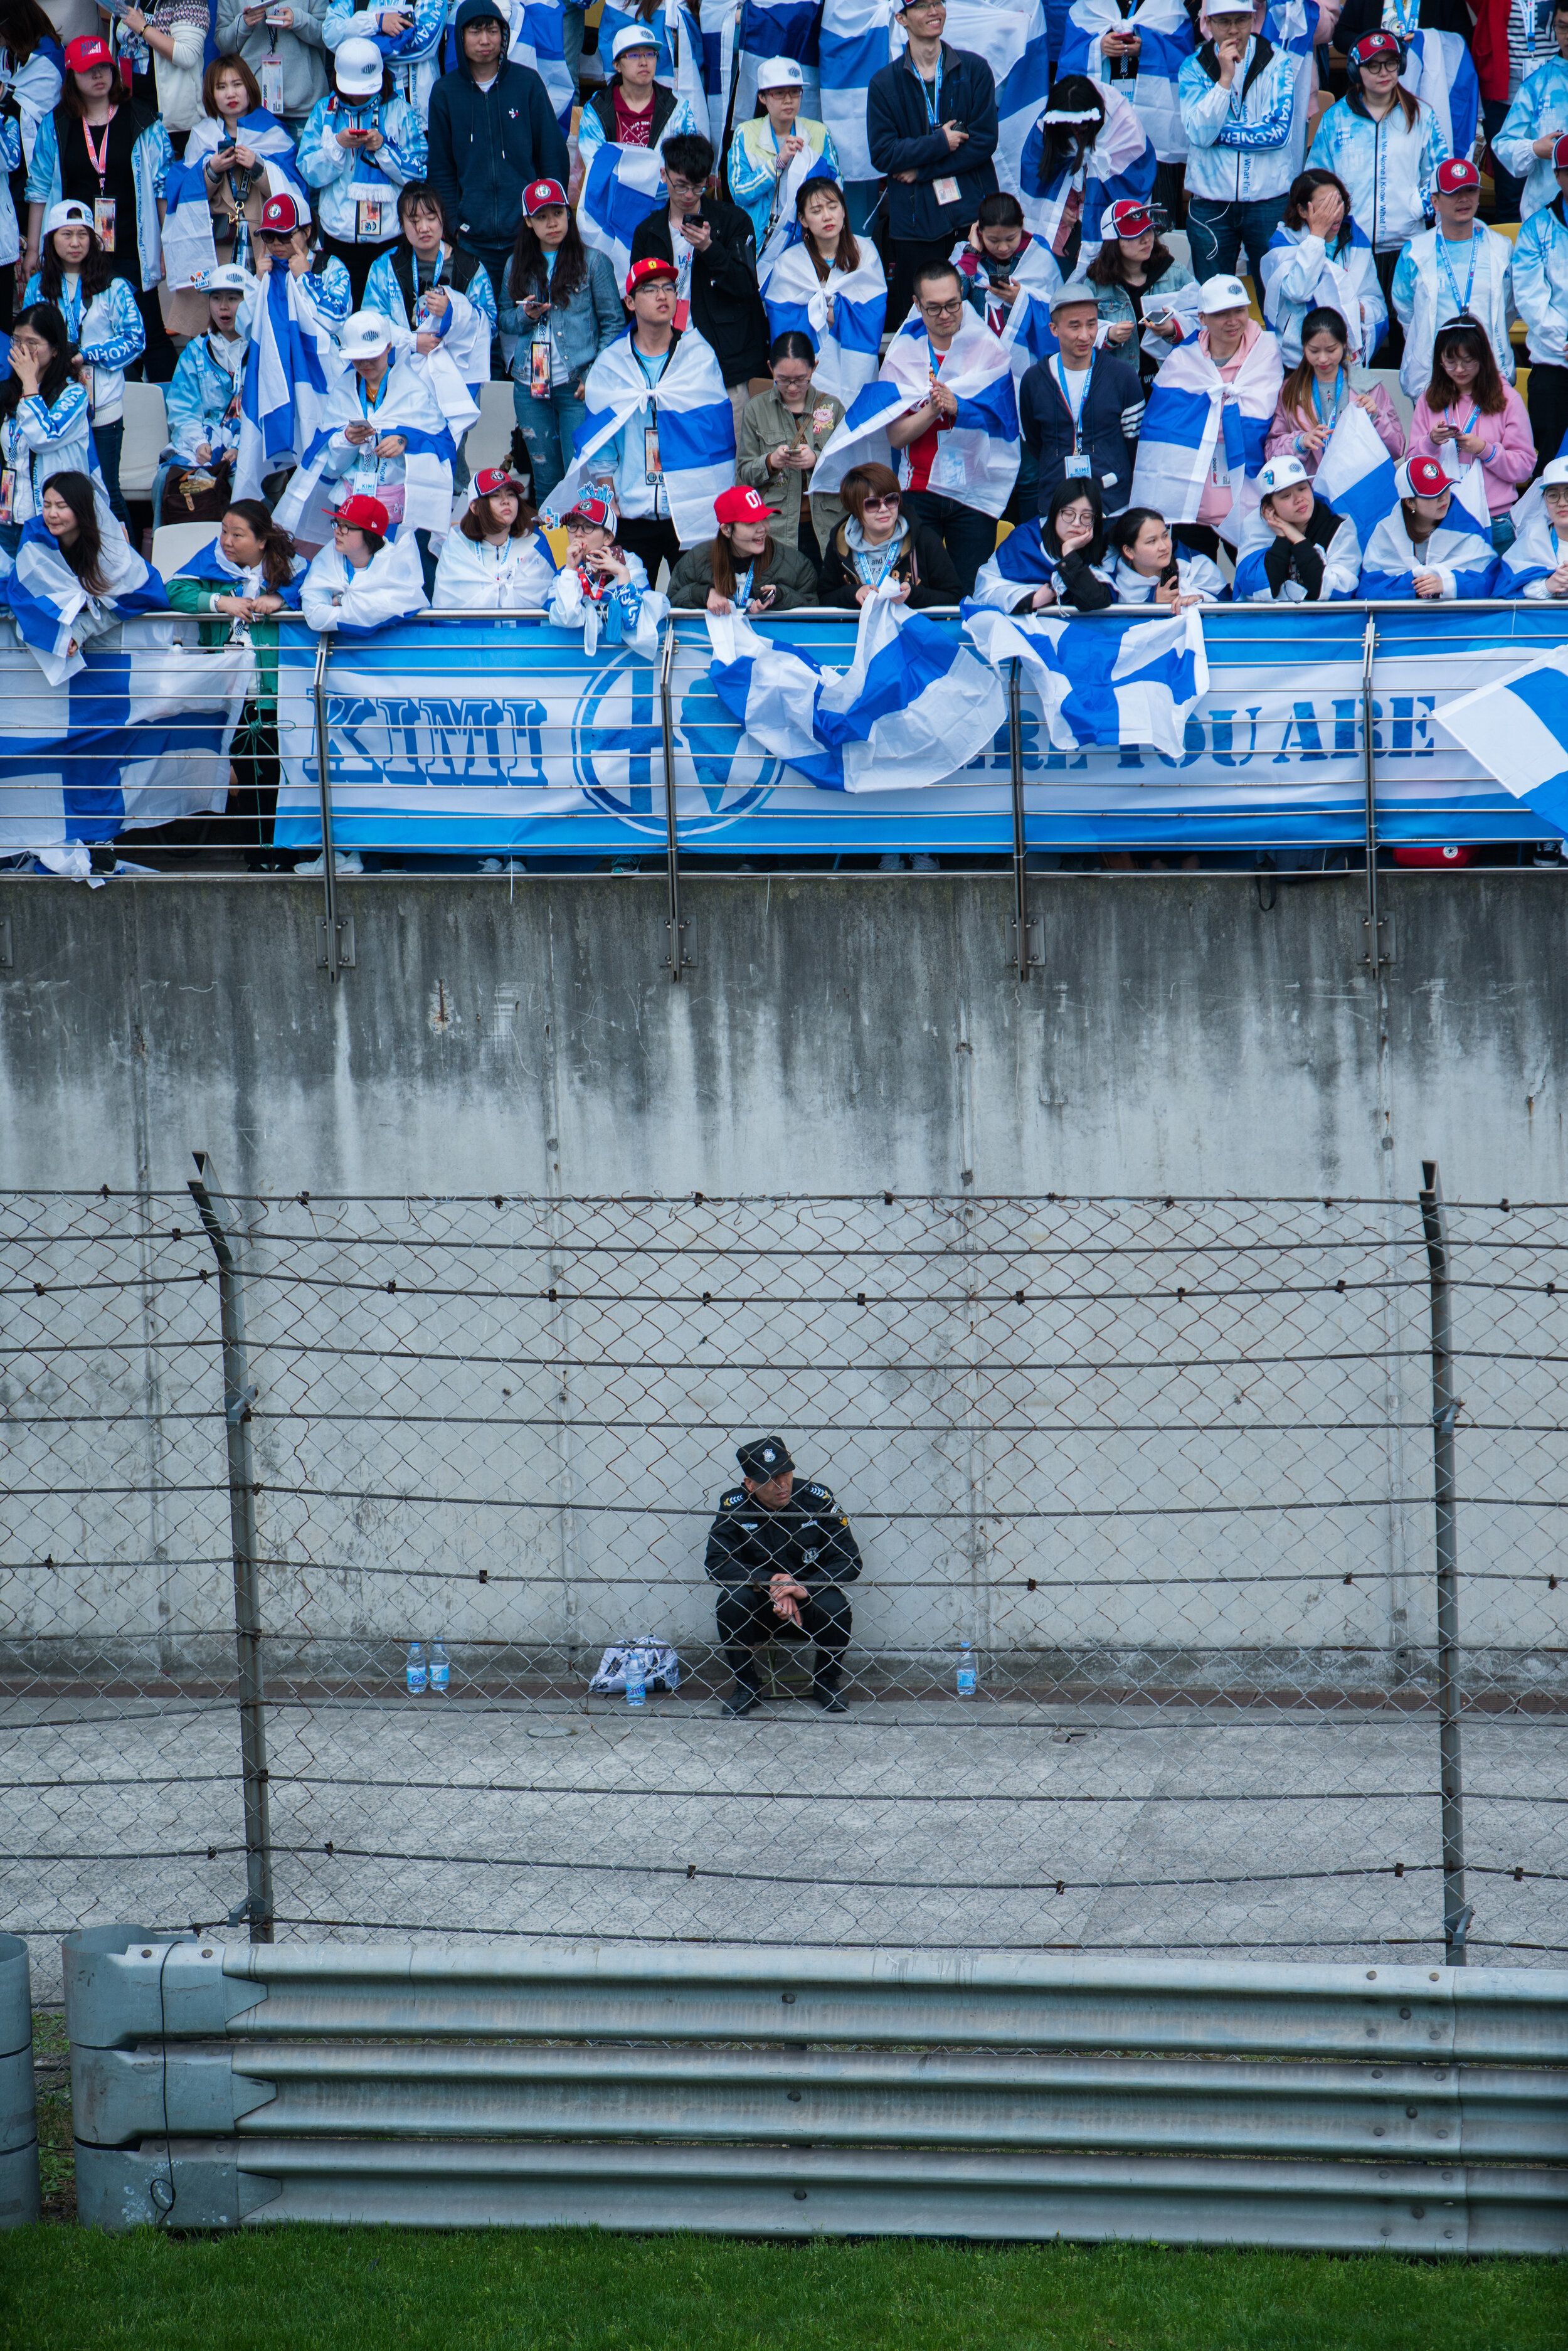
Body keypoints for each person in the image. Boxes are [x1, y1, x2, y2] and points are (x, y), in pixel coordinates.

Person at [24, 32, 176, 379]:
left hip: (133, 245)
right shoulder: (57, 123)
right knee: (83, 332)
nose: (98, 76)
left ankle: (163, 418)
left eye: (104, 68)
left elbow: (161, 187)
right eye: (87, 69)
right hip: (76, 246)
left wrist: (166, 245)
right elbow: (37, 188)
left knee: (149, 333)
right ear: (71, 77)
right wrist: (34, 248)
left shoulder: (143, 119)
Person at [164, 496, 304, 869]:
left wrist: (280, 598)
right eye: (224, 530)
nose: (226, 540)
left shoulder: (291, 570)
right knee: (246, 771)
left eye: (237, 534)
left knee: (279, 771)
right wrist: (218, 603)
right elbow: (174, 589)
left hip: (276, 693)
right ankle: (256, 854)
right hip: (232, 692)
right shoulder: (212, 563)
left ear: (262, 541)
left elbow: (315, 585)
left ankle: (286, 852)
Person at [884, 257, 1016, 594]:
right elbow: (896, 437)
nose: (945, 315)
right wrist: (931, 410)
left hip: (972, 491)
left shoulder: (990, 350)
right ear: (917, 305)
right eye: (934, 308)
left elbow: (1005, 427)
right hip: (920, 489)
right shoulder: (903, 353)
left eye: (953, 305)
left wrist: (962, 408)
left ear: (962, 295)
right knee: (914, 590)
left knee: (969, 589)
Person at [704, 1436, 862, 1717]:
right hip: (759, 1605)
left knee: (835, 1605)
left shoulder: (817, 1499)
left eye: (785, 1474)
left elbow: (849, 1559)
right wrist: (771, 1581)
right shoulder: (734, 1505)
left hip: (809, 1602)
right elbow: (717, 1562)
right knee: (731, 1600)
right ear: (749, 1484)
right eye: (770, 1480)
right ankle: (747, 1687)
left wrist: (803, 1587)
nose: (782, 1485)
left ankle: (826, 1682)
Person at [425, 0, 568, 306]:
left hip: (528, 235)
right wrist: (454, 230)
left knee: (531, 319)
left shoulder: (527, 83)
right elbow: (441, 171)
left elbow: (552, 157)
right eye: (476, 31)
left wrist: (545, 219)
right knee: (480, 329)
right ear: (460, 37)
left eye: (493, 30)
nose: (486, 40)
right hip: (472, 240)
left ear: (504, 36)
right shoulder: (445, 93)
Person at [867, 0, 999, 328]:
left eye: (937, 3)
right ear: (901, 18)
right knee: (922, 319)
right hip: (916, 224)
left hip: (972, 213)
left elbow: (984, 141)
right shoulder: (884, 84)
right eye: (922, 6)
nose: (934, 11)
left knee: (980, 315)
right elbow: (883, 154)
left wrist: (923, 169)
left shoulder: (975, 70)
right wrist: (940, 142)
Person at [1312, 33, 1444, 354]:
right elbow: (1315, 179)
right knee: (1359, 341)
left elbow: (1440, 175)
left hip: (1406, 247)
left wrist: (1417, 205)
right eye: (1373, 66)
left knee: (1409, 340)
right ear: (1358, 70)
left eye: (1391, 64)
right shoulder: (1335, 119)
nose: (1384, 72)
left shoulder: (1421, 115)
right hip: (1351, 250)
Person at [628, 131, 770, 430]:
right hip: (670, 359)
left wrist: (709, 248)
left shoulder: (733, 221)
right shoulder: (648, 231)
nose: (690, 195)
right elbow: (637, 295)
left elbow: (747, 287)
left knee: (736, 452)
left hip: (726, 359)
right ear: (664, 175)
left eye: (698, 186)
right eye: (681, 186)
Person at [1136, 270, 1283, 556]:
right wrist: (1222, 416)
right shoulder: (1182, 359)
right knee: (1192, 584)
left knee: (1254, 584)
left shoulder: (1268, 350)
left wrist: (1206, 419)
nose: (1233, 321)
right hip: (1191, 500)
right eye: (1221, 314)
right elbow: (1162, 428)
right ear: (1202, 318)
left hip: (1250, 491)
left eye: (1239, 311)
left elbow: (1265, 419)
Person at [498, 177, 620, 511]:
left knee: (581, 477)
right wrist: (527, 316)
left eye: (558, 213)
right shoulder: (515, 264)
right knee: (546, 480)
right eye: (541, 217)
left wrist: (594, 373)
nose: (552, 223)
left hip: (577, 384)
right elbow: (505, 321)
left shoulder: (594, 262)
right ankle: (554, 559)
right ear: (528, 222)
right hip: (528, 385)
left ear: (570, 213)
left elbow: (613, 323)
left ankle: (588, 560)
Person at [23, 196, 142, 524]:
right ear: (51, 239)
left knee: (107, 492)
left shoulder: (115, 286)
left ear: (94, 239)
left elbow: (136, 339)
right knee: (58, 492)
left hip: (103, 402)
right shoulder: (38, 286)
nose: (75, 243)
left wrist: (87, 354)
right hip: (54, 404)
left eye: (83, 234)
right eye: (66, 234)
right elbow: (29, 338)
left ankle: (125, 568)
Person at [172, 52, 304, 322]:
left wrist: (259, 167)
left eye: (237, 84)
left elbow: (292, 194)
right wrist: (211, 171)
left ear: (249, 88)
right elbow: (182, 194)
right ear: (211, 94)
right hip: (218, 242)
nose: (230, 93)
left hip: (261, 243)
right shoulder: (202, 135)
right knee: (219, 319)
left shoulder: (272, 132)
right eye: (221, 87)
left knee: (262, 321)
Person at [296, 36, 425, 306]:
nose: (360, 95)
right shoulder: (324, 113)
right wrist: (338, 145)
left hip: (390, 239)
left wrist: (384, 149)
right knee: (344, 320)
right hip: (338, 241)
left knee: (389, 319)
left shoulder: (401, 111)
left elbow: (420, 171)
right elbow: (308, 172)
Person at [0, 466, 161, 680]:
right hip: (54, 651)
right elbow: (25, 596)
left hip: (105, 647)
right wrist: (57, 636)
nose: (52, 514)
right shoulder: (35, 537)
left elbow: (137, 594)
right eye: (47, 506)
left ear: (82, 509)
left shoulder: (110, 545)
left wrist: (80, 630)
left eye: (61, 506)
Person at [1177, 3, 1298, 282]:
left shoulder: (1277, 61)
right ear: (1208, 23)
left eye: (1241, 20)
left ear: (1253, 18)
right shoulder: (1192, 67)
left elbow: (1277, 133)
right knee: (1211, 298)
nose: (1233, 30)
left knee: (1277, 296)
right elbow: (1197, 134)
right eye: (1224, 22)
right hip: (1210, 202)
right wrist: (1224, 81)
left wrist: (1218, 135)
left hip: (1268, 200)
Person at [1392, 158, 1515, 407]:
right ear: (1435, 201)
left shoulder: (1502, 249)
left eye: (1470, 191)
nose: (1464, 199)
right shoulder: (1414, 253)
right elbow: (1407, 313)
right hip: (1433, 379)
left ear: (1480, 196)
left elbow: (1508, 309)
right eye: (1453, 193)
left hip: (1488, 377)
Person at [363, 179, 496, 411]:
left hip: (454, 380)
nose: (424, 228)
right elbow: (371, 321)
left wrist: (454, 313)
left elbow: (491, 325)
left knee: (450, 447)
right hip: (400, 380)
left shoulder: (471, 268)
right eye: (414, 221)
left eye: (431, 218)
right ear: (402, 225)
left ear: (443, 219)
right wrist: (412, 342)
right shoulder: (384, 267)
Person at [1019, 278, 1145, 520]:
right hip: (1056, 506)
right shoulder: (1034, 380)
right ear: (1054, 329)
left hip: (1112, 505)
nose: (1085, 335)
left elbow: (1135, 444)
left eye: (1092, 324)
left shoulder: (1123, 377)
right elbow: (1036, 440)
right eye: (1074, 326)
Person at [1407, 316, 1535, 552]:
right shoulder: (1429, 399)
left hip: (1494, 519)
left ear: (1483, 359)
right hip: (1442, 520)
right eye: (1450, 361)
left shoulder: (1507, 399)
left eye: (1468, 361)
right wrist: (1431, 443)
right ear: (1439, 360)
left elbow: (1525, 467)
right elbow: (1412, 464)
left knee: (1496, 590)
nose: (1459, 369)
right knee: (1450, 588)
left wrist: (1486, 450)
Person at [761, 174, 887, 410]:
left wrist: (837, 313)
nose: (827, 216)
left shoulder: (866, 252)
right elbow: (781, 318)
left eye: (833, 206)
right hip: (812, 366)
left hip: (855, 363)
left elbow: (874, 309)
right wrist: (818, 314)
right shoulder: (789, 263)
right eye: (816, 210)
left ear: (843, 210)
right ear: (803, 219)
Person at [1019, 73, 1155, 279]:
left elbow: (1135, 180)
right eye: (1068, 129)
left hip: (1108, 241)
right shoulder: (1047, 125)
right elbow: (1035, 174)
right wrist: (1056, 206)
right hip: (1063, 233)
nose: (1075, 133)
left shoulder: (1123, 123)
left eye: (1081, 128)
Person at [1258, 167, 1385, 369]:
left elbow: (1375, 300)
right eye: (1325, 206)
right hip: (1297, 361)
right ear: (1302, 210)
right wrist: (1317, 237)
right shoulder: (1284, 242)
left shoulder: (1357, 239)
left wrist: (1363, 310)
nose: (1334, 213)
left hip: (1345, 359)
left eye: (1338, 203)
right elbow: (1299, 290)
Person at [736, 331, 845, 565]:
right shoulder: (756, 409)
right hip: (776, 528)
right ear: (771, 369)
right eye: (784, 379)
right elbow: (743, 474)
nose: (793, 387)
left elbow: (850, 471)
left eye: (801, 379)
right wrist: (770, 462)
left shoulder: (832, 408)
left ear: (814, 368)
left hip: (825, 527)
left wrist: (817, 459)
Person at [1266, 303, 1404, 480]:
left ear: (1345, 341)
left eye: (1331, 350)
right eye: (1314, 351)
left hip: (1358, 488)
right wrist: (1299, 443)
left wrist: (1377, 417)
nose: (1323, 359)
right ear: (1303, 345)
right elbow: (1270, 452)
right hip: (1310, 494)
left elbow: (1397, 449)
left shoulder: (1369, 387)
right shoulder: (1289, 390)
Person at [159, 261, 251, 523]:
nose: (223, 307)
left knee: (246, 479)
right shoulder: (195, 351)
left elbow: (268, 413)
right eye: (216, 298)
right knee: (164, 481)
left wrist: (242, 447)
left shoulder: (263, 348)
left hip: (252, 442)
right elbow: (182, 409)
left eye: (234, 298)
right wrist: (199, 443)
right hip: (205, 440)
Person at [726, 58, 837, 257]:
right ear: (762, 97)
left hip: (807, 237)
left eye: (795, 92)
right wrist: (778, 162)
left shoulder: (820, 132)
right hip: (760, 240)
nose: (789, 100)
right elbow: (739, 192)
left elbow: (836, 189)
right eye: (779, 93)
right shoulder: (745, 133)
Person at [0, 302, 89, 550]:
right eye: (17, 341)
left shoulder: (74, 395)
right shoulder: (8, 392)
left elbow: (43, 437)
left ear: (56, 351)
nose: (23, 351)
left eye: (32, 343)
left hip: (52, 519)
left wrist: (30, 381)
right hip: (9, 515)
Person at [817, 459, 963, 608]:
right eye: (872, 503)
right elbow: (824, 598)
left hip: (909, 630)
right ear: (854, 509)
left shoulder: (925, 540)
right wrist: (854, 594)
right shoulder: (840, 543)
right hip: (858, 630)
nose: (884, 509)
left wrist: (913, 595)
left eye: (891, 499)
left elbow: (954, 596)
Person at [1084, 196, 1194, 391]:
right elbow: (1080, 331)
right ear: (1113, 242)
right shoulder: (1095, 284)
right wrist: (1107, 335)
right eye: (1135, 234)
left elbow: (1203, 318)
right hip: (1118, 387)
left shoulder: (1175, 272)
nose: (1146, 239)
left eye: (1149, 230)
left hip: (1173, 382)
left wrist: (1174, 329)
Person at [1357, 451, 1500, 597]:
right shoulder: (1385, 534)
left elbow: (1489, 580)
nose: (1443, 498)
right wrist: (1413, 582)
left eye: (1445, 488)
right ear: (1410, 503)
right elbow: (1369, 589)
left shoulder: (1469, 529)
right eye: (1432, 494)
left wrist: (1448, 584)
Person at [545, 485, 667, 654]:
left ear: (608, 537)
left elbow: (631, 622)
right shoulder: (565, 573)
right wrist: (571, 570)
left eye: (588, 526)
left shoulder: (630, 564)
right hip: (580, 665)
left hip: (626, 663)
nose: (578, 534)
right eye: (573, 526)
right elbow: (567, 618)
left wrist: (622, 574)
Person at [667, 482, 818, 613]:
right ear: (726, 530)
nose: (762, 529)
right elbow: (670, 602)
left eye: (764, 518)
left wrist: (779, 596)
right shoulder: (696, 559)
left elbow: (814, 609)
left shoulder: (796, 563)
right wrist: (704, 594)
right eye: (751, 523)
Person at [971, 474, 1116, 609]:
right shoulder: (1024, 539)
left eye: (1086, 516)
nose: (1077, 523)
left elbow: (1096, 601)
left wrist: (1069, 554)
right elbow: (986, 590)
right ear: (1054, 513)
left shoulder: (1104, 547)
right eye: (1068, 514)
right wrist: (1030, 601)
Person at [1233, 450, 1362, 598]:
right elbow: (1258, 592)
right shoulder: (1255, 529)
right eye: (1286, 496)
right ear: (1269, 508)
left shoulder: (1338, 528)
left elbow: (1335, 592)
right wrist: (1282, 538)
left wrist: (1298, 539)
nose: (1298, 499)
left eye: (1302, 489)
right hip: (1276, 621)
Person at [1512, 134, 1568, 474]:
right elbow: (1531, 300)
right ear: (1557, 175)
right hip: (1553, 363)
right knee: (1550, 465)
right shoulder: (1536, 229)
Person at [300, 487, 430, 627]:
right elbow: (315, 615)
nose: (337, 532)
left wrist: (342, 600)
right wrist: (363, 608)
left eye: (345, 527)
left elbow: (394, 605)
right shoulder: (328, 555)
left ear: (369, 534)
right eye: (336, 523)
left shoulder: (396, 563)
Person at [431, 465, 558, 607]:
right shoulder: (457, 545)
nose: (506, 501)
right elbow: (446, 613)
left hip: (525, 631)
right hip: (470, 631)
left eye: (511, 494)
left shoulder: (535, 542)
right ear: (475, 507)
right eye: (495, 496)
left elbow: (551, 603)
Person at [575, 21, 696, 167]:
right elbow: (596, 168)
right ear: (617, 65)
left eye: (650, 54)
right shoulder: (597, 109)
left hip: (664, 190)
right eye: (634, 55)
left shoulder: (677, 107)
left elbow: (688, 166)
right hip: (614, 189)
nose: (644, 62)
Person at [1491, 0, 1568, 222]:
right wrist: (1535, 148)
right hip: (1544, 215)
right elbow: (1503, 144)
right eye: (1562, 27)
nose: (1567, 35)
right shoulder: (1535, 85)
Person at [102, 0, 207, 159]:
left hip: (171, 123)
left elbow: (187, 55)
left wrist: (143, 29)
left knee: (174, 180)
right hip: (130, 112)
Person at [215, 0, 329, 138]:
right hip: (253, 107)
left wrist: (298, 20)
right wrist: (243, 23)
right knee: (254, 160)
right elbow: (223, 44)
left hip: (304, 108)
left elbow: (327, 36)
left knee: (303, 160)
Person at [250, 185, 352, 338]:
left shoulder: (331, 267)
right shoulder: (265, 271)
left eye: (285, 235)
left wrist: (306, 279)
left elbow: (336, 318)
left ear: (307, 231)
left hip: (322, 358)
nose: (276, 243)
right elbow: (244, 327)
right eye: (269, 235)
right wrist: (257, 282)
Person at [1104, 504, 1227, 603]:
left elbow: (1230, 610)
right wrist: (1153, 603)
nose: (1164, 547)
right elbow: (1112, 629)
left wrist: (1200, 600)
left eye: (1165, 536)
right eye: (1152, 541)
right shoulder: (1109, 583)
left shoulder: (1196, 564)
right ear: (1129, 551)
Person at [1498, 452, 1568, 593]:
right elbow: (1504, 590)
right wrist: (1546, 587)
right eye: (1553, 495)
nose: (1562, 503)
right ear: (1544, 501)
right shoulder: (1531, 541)